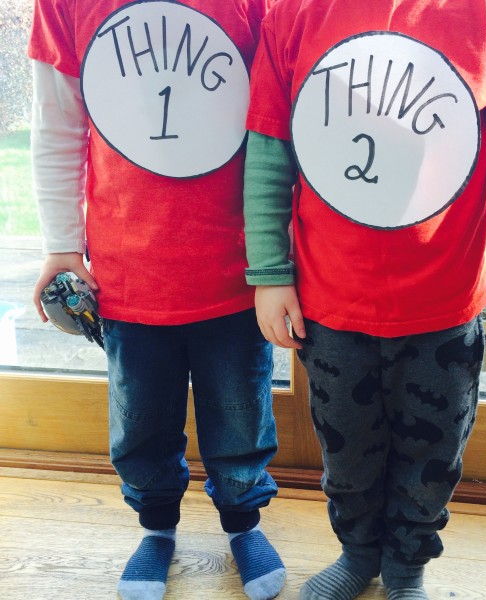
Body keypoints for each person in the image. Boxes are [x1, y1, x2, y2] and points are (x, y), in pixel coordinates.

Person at [242, 1, 486, 599]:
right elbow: (267, 154)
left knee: (433, 448)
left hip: (445, 306)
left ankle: (408, 565)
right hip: (331, 305)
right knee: (348, 450)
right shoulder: (293, 14)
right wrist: (269, 272)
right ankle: (359, 553)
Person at [28, 1, 286, 599]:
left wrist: (280, 257)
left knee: (241, 414)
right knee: (140, 422)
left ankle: (244, 524)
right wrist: (62, 245)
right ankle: (156, 529)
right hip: (127, 276)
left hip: (236, 272)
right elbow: (57, 126)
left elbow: (279, 120)